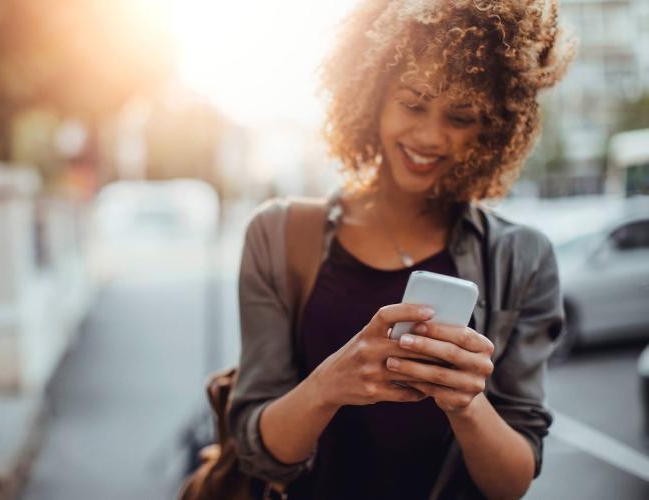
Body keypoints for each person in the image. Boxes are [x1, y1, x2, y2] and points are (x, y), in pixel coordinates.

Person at [227, 1, 576, 499]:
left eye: (461, 116)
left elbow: (512, 483)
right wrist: (330, 384)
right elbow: (257, 450)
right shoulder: (277, 236)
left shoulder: (523, 259)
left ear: (494, 127)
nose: (430, 137)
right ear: (371, 95)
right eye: (413, 103)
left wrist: (465, 403)